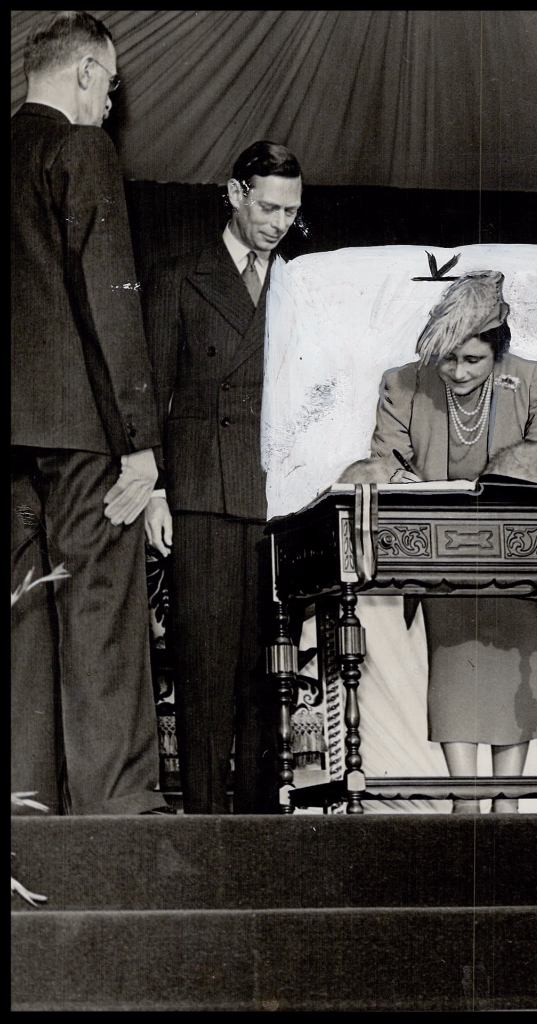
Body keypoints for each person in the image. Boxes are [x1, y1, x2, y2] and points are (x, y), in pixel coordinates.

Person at [11, 11, 171, 815]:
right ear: (81, 73)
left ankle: (26, 816)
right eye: (109, 84)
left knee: (22, 629)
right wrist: (141, 447)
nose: (109, 102)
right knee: (101, 619)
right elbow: (112, 302)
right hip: (79, 433)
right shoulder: (81, 148)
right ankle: (118, 827)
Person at [346, 270, 537, 813]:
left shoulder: (534, 379)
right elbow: (384, 462)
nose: (459, 371)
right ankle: (466, 800)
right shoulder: (402, 382)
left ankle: (508, 800)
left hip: (512, 546)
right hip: (437, 547)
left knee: (519, 656)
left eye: (474, 360)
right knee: (452, 663)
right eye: (449, 359)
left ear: (498, 351)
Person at [143, 141, 303, 814]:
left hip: (278, 497)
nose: (278, 223)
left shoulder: (302, 284)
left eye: (291, 212)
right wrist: (153, 489)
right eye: (267, 206)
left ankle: (263, 827)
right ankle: (207, 828)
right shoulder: (180, 276)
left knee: (266, 674)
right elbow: (149, 390)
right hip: (202, 494)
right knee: (204, 668)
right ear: (234, 193)